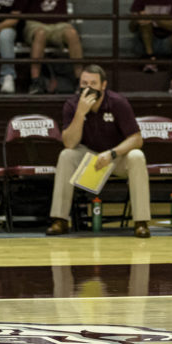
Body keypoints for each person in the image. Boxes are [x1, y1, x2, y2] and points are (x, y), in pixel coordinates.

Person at [45, 64, 151, 238]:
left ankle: (141, 222)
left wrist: (112, 153)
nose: (88, 88)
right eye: (84, 83)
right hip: (88, 156)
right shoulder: (72, 104)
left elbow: (136, 139)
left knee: (137, 156)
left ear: (103, 85)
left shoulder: (118, 103)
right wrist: (80, 113)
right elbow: (69, 143)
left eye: (93, 83)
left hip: (115, 157)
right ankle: (60, 220)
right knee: (66, 155)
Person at [26, 0, 84, 95]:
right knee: (40, 34)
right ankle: (35, 81)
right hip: (36, 23)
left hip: (59, 25)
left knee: (72, 33)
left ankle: (80, 81)